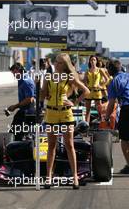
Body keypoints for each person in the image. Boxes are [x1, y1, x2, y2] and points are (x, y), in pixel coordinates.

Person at [41, 53, 90, 189]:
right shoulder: (48, 76)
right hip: (51, 113)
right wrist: (40, 88)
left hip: (66, 114)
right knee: (51, 147)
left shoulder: (69, 77)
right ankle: (49, 177)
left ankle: (75, 176)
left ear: (65, 65)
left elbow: (86, 91)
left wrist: (73, 102)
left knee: (69, 145)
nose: (57, 64)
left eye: (60, 63)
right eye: (56, 62)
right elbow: (43, 94)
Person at [105, 60, 129, 174]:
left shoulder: (114, 82)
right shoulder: (128, 75)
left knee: (124, 139)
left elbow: (111, 103)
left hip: (127, 108)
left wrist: (106, 117)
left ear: (110, 70)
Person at [7, 63, 36, 140]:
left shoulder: (26, 81)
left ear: (20, 71)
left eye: (15, 73)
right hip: (24, 110)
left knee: (16, 132)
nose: (14, 76)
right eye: (13, 74)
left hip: (29, 111)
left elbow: (29, 99)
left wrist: (15, 106)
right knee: (15, 131)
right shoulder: (22, 80)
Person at [84, 55, 109, 123]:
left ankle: (102, 124)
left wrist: (101, 86)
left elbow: (107, 79)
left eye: (94, 60)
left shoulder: (100, 70)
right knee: (87, 111)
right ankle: (87, 127)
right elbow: (84, 80)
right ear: (89, 61)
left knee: (99, 110)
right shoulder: (87, 71)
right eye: (91, 60)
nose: (92, 61)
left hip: (97, 91)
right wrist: (86, 87)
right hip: (89, 92)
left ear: (96, 61)